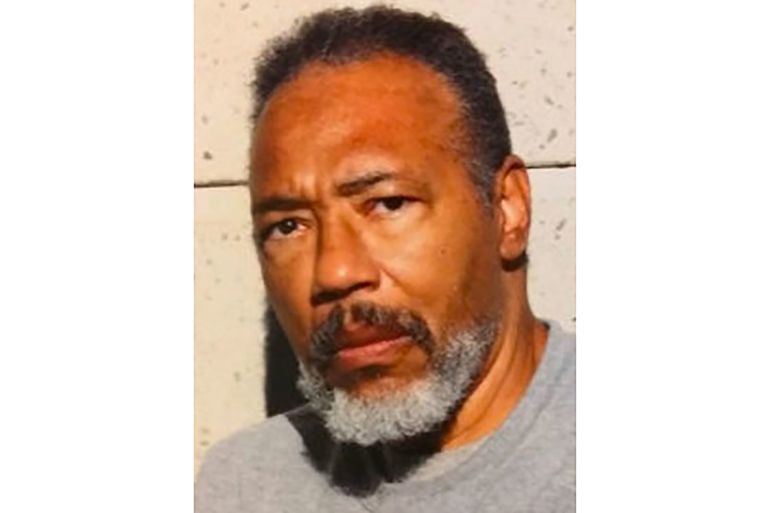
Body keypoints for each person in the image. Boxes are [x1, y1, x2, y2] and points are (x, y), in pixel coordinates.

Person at [196, 5, 575, 512]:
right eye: (287, 226)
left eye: (389, 203)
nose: (335, 272)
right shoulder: (243, 485)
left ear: (508, 209)